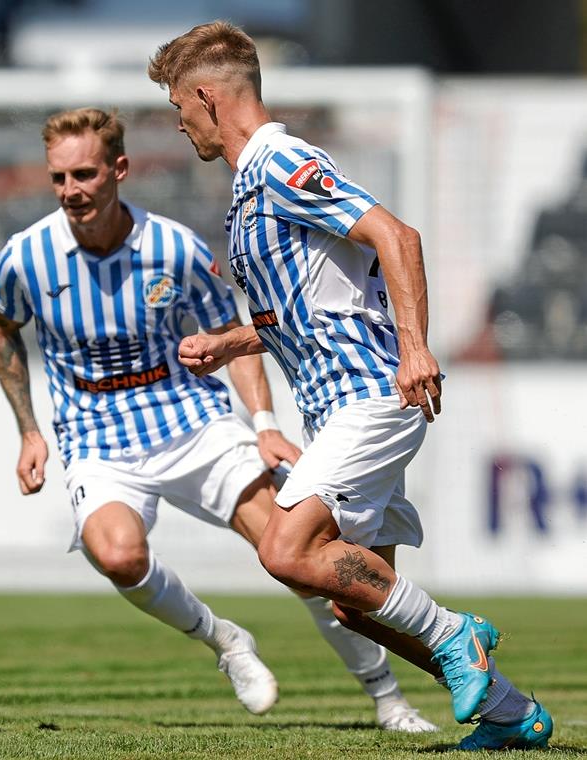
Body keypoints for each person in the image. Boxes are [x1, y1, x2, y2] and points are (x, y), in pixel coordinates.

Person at [148, 21, 552, 750]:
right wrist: (231, 341)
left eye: (179, 107)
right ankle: (511, 713)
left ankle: (459, 634)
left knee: (284, 549)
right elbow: (304, 310)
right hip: (333, 405)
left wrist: (416, 347)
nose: (179, 125)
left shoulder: (280, 161)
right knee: (355, 602)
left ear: (206, 96)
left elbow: (397, 237)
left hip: (370, 393)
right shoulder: (248, 191)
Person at [0, 107, 435, 731]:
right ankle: (224, 639)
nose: (71, 191)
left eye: (84, 174)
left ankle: (389, 698)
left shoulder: (174, 247)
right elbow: (1, 325)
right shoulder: (27, 256)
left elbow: (226, 332)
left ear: (119, 169)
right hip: (96, 438)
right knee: (116, 556)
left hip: (193, 424)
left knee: (299, 554)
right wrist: (28, 429)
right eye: (58, 178)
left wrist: (264, 422)